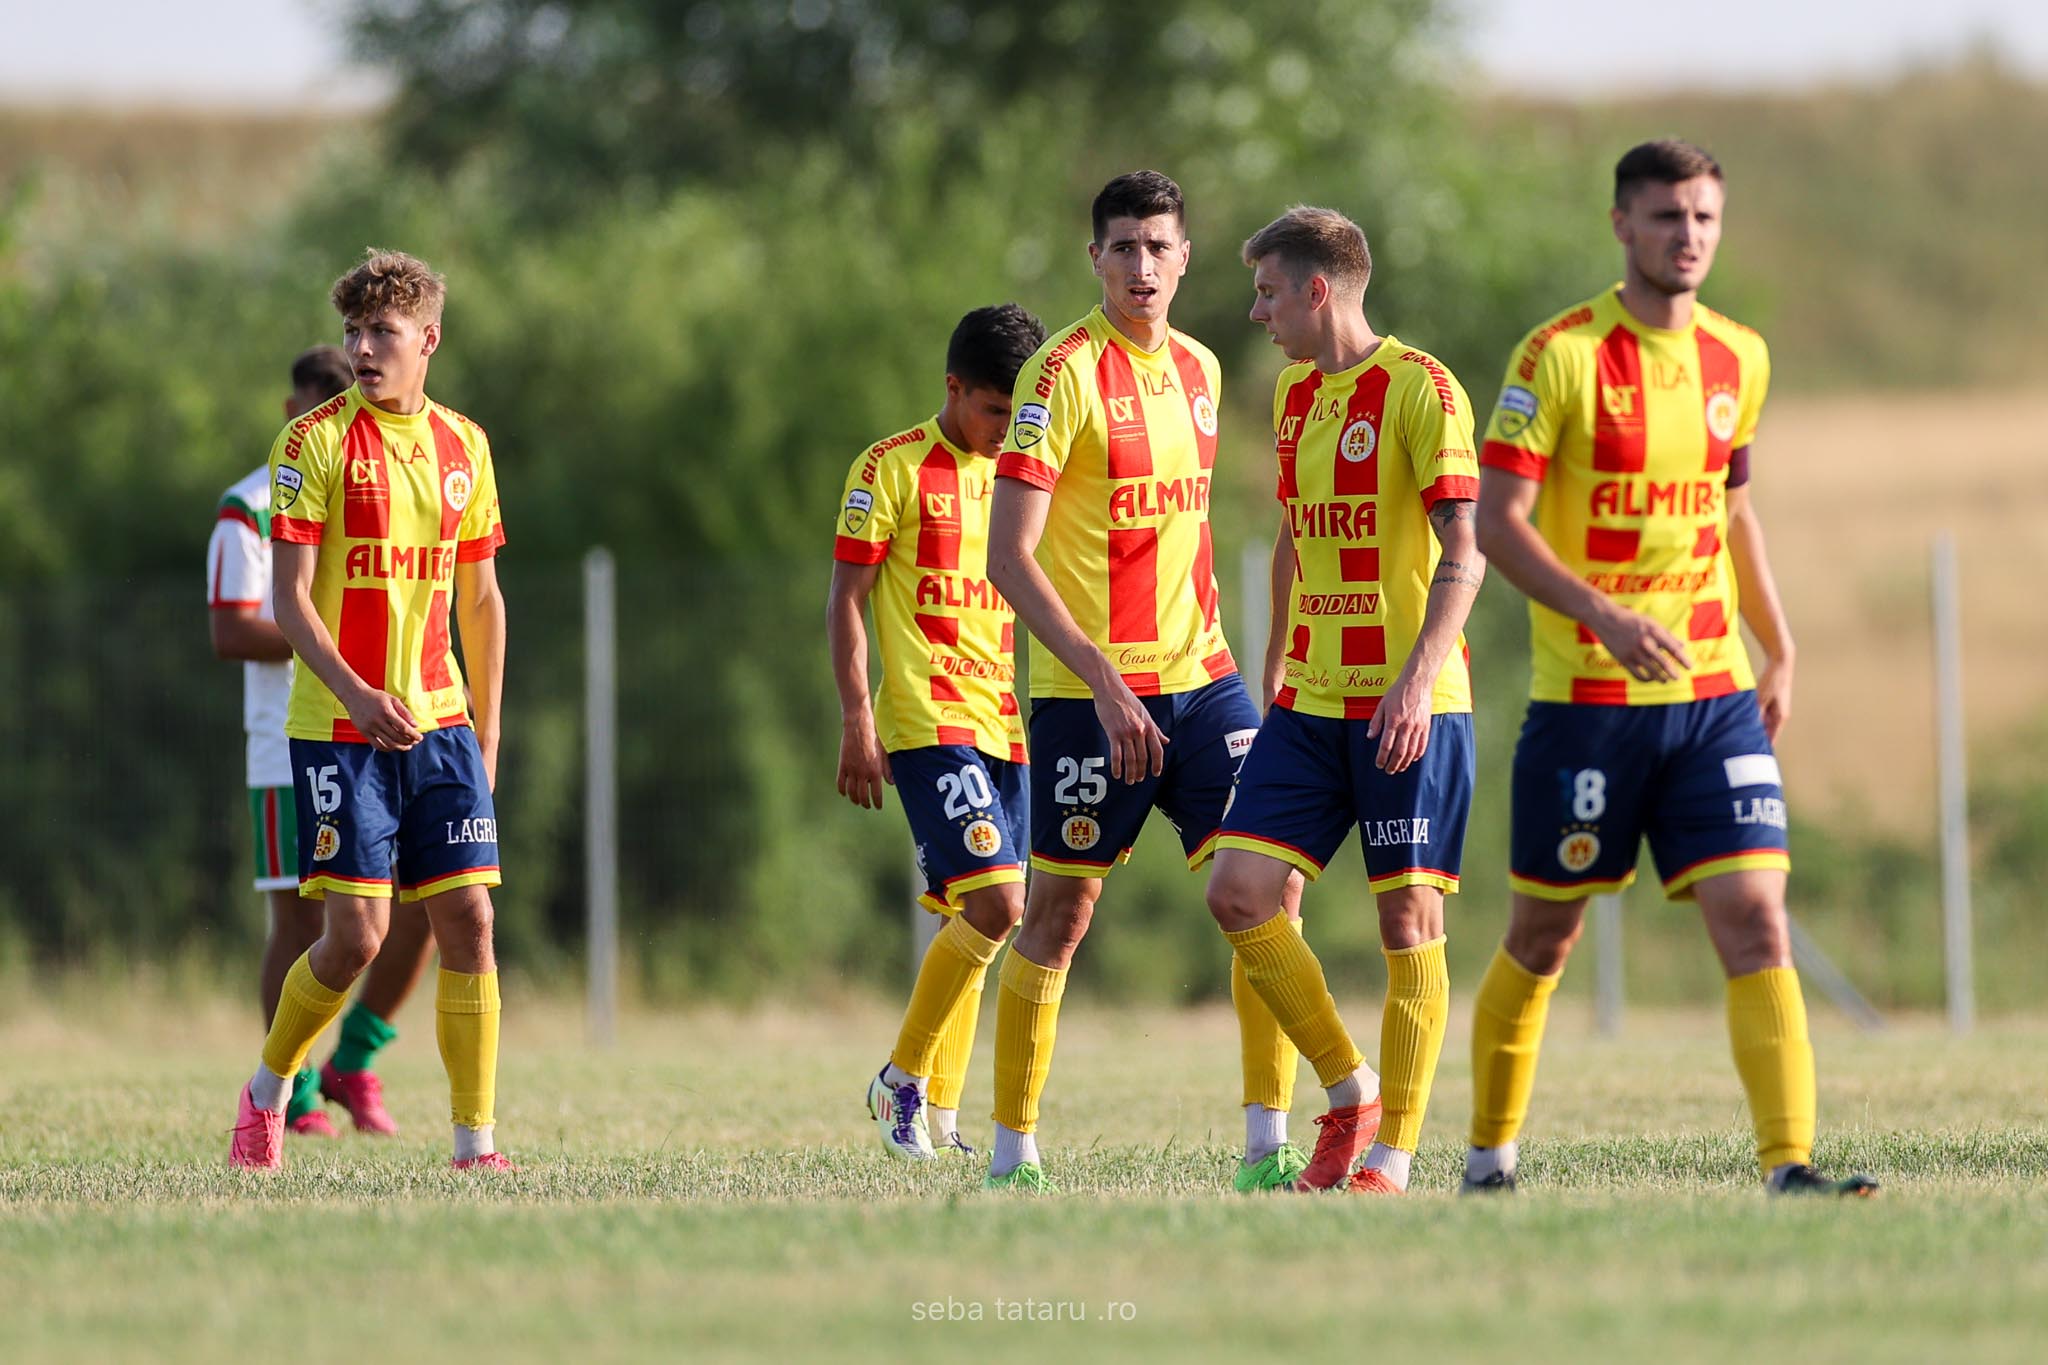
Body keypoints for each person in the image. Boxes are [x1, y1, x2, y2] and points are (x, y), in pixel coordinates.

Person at [1463, 140, 1875, 1197]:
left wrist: (1778, 643)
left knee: (1756, 918)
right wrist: (1599, 615)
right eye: (1663, 216)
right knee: (1543, 936)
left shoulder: (1741, 356)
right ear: (1621, 226)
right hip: (1588, 704)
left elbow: (1732, 512)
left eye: (1701, 217)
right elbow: (1498, 524)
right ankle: (1488, 1162)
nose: (1685, 236)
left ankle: (1788, 1167)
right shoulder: (1558, 356)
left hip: (1712, 699)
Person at [984, 170, 1308, 1193]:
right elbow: (1008, 557)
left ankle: (1268, 1146)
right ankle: (1011, 1153)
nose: (1141, 265)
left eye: (1158, 245)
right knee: (1059, 915)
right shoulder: (1058, 375)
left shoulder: (1203, 368)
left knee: (1269, 890)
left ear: (1185, 257)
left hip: (1204, 679)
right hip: (1090, 695)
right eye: (1122, 246)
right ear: (1095, 259)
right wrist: (1104, 682)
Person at [1205, 207, 1486, 1194]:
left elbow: (1465, 551)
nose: (1256, 313)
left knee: (1408, 920)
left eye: (1267, 293)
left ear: (1316, 290)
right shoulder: (1293, 396)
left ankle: (1391, 1157)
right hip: (1308, 700)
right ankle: (1349, 1083)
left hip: (1407, 704)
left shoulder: (1421, 388)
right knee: (1238, 892)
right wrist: (1273, 661)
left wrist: (1415, 680)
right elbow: (1293, 534)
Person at [227, 249, 512, 1172]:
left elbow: (481, 600)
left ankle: (475, 1146)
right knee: (354, 938)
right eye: (352, 331)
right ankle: (270, 1087)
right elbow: (289, 601)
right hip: (338, 726)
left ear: (428, 339)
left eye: (382, 331)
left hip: (442, 725)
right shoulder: (311, 443)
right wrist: (356, 691)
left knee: (469, 918)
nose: (361, 349)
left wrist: (486, 731)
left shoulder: (465, 445)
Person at [830, 303, 1049, 1160]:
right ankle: (901, 1080)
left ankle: (942, 1113)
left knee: (980, 919)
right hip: (928, 720)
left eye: (1017, 414)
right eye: (993, 410)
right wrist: (857, 715)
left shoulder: (1023, 477)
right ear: (954, 388)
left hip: (1004, 722)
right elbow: (846, 600)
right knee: (998, 905)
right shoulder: (890, 467)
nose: (1005, 428)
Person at [207, 344, 438, 1140]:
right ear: (292, 410)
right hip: (289, 740)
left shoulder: (385, 481)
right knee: (304, 924)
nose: (337, 419)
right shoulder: (251, 504)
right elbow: (232, 628)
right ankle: (294, 1087)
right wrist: (335, 643)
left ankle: (356, 1058)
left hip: (391, 729)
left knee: (429, 901)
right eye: (322, 403)